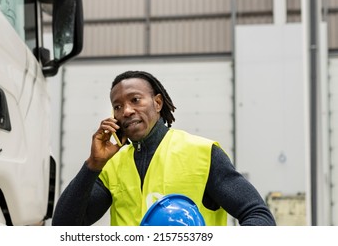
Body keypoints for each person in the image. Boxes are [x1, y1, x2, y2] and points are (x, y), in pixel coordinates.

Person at [52, 70, 276, 226]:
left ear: (158, 103)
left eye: (135, 100)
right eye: (117, 106)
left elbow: (258, 215)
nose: (126, 111)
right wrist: (94, 164)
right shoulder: (112, 167)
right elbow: (64, 226)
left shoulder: (202, 154)